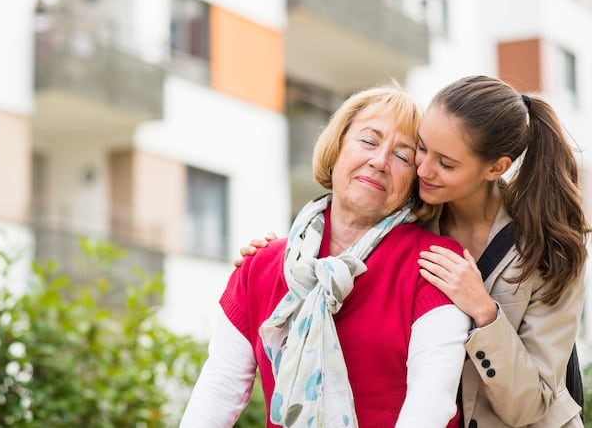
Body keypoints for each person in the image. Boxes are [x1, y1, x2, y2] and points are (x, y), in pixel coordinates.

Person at [239, 75, 589, 427]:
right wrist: (277, 256)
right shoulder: (407, 220)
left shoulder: (551, 249)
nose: (423, 169)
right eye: (421, 148)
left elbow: (532, 407)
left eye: (446, 164)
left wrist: (485, 313)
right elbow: (343, 239)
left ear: (496, 168)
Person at [180, 85, 471, 428]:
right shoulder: (261, 266)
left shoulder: (434, 264)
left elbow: (431, 405)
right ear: (336, 150)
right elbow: (217, 391)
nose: (379, 161)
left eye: (403, 156)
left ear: (414, 181)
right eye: (368, 140)